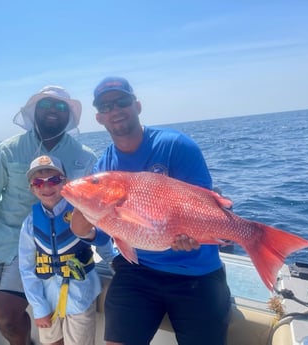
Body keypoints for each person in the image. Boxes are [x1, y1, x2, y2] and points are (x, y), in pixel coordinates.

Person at [70, 77, 232, 345]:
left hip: (195, 270)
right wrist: (85, 231)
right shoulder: (104, 165)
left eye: (122, 101)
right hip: (139, 270)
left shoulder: (176, 145)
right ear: (99, 118)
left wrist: (195, 234)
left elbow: (202, 205)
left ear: (137, 106)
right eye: (106, 106)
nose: (115, 110)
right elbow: (103, 236)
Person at [0, 86, 97, 345]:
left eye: (61, 106)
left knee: (6, 315)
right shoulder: (7, 149)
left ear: (70, 115)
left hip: (39, 249)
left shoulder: (85, 157)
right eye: (45, 105)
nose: (53, 110)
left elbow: (94, 208)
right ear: (33, 111)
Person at [19, 154, 116, 345]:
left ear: (66, 182)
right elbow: (26, 268)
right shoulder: (30, 223)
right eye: (38, 182)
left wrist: (118, 267)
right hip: (47, 299)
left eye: (54, 180)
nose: (46, 187)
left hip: (80, 297)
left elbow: (104, 244)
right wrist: (39, 308)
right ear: (32, 188)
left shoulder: (83, 211)